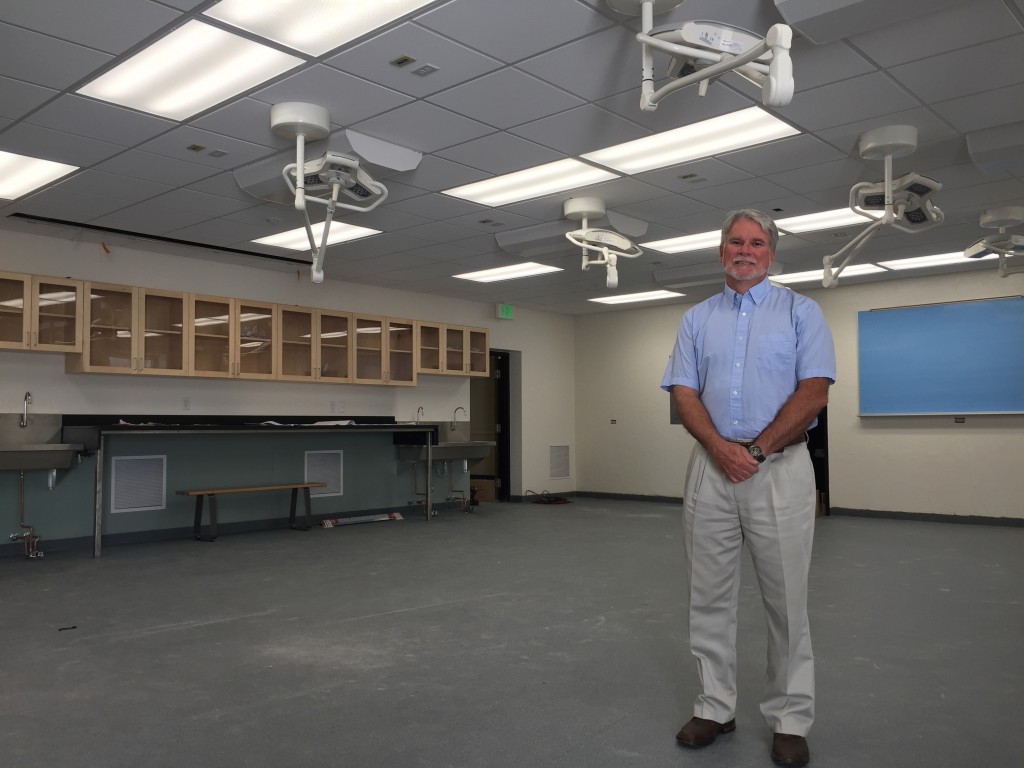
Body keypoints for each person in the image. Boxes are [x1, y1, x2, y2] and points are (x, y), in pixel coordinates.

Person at [660, 209, 835, 767]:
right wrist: (720, 448)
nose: (745, 249)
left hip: (778, 470)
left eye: (756, 242)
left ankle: (790, 718)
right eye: (735, 241)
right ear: (720, 251)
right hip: (711, 470)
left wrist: (755, 451)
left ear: (771, 253)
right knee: (708, 598)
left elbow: (813, 393)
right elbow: (684, 393)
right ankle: (715, 707)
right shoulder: (697, 319)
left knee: (786, 603)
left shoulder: (801, 312)